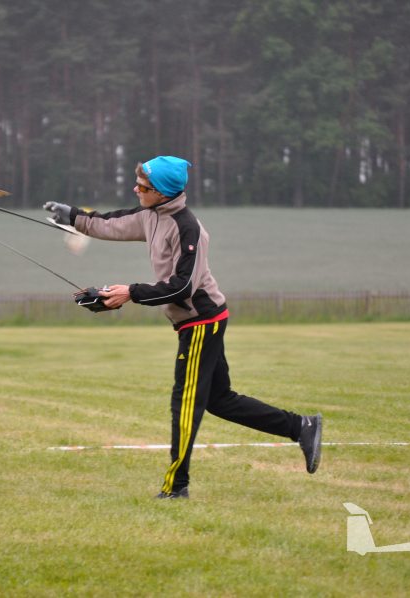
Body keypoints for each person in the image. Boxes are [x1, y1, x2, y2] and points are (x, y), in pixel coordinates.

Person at [43, 156, 322, 499]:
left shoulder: (188, 229)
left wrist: (131, 292)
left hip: (202, 321)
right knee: (220, 400)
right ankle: (301, 426)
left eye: (143, 187)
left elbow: (182, 287)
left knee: (186, 403)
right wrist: (71, 216)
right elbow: (110, 224)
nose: (136, 190)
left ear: (162, 192)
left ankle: (176, 487)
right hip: (196, 321)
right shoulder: (149, 214)